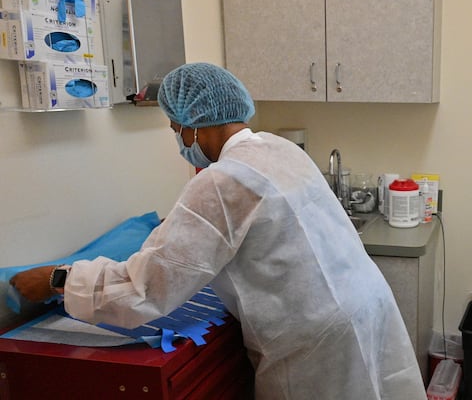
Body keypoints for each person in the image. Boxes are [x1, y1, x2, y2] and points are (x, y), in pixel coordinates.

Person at [10, 62, 426, 400]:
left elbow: (147, 288)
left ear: (195, 124)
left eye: (176, 130)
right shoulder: (277, 148)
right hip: (364, 304)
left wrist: (58, 278)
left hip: (314, 342)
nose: (179, 141)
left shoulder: (222, 182)